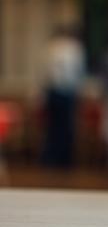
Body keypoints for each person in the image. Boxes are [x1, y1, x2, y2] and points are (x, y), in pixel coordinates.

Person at [42, 28, 85, 167]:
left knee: (53, 128)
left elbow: (43, 72)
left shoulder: (50, 47)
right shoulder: (74, 48)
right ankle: (64, 160)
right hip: (67, 92)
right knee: (66, 127)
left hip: (53, 92)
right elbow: (78, 72)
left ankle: (52, 159)